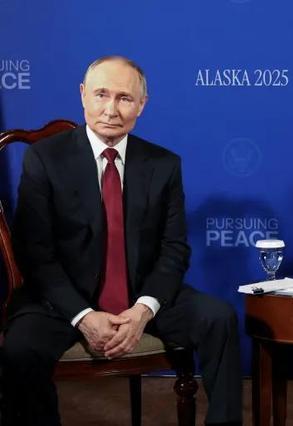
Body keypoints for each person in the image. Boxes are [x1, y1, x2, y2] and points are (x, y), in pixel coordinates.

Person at [1, 56, 242, 426]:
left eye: (125, 98)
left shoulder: (164, 164)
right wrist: (83, 316)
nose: (111, 109)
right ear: (83, 95)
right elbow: (35, 254)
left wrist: (143, 309)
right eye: (101, 94)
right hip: (61, 300)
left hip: (140, 295)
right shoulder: (45, 158)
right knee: (20, 348)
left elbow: (174, 249)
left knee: (219, 318)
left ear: (141, 105)